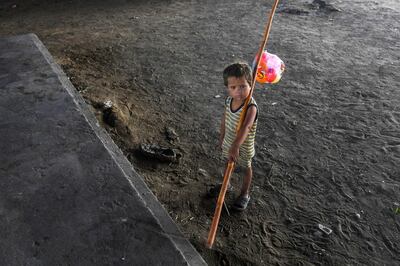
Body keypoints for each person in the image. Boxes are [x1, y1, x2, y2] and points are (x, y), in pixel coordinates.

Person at [212, 62, 258, 211]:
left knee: (246, 168)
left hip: (242, 146)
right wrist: (222, 138)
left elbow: (246, 127)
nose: (238, 91)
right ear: (227, 88)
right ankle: (226, 184)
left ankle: (245, 194)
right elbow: (225, 120)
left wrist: (236, 146)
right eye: (233, 87)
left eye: (243, 86)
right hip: (229, 141)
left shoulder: (251, 107)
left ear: (250, 84)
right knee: (228, 163)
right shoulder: (228, 100)